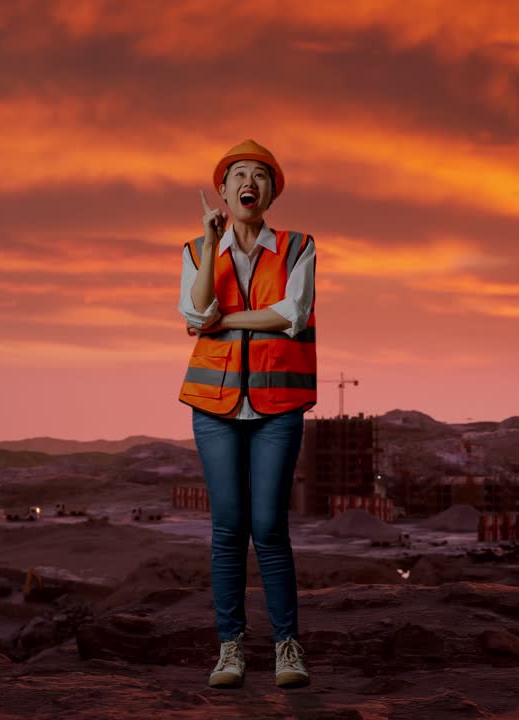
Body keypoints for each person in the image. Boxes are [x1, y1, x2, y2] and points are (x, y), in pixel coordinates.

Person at [176, 139, 317, 689]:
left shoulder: (299, 246)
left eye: (260, 174)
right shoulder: (193, 250)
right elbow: (194, 312)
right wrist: (211, 249)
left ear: (271, 192)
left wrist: (223, 319)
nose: (248, 182)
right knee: (228, 529)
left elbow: (293, 314)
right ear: (223, 189)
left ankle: (287, 647)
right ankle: (230, 649)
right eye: (238, 174)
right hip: (213, 406)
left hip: (278, 405)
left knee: (269, 529)